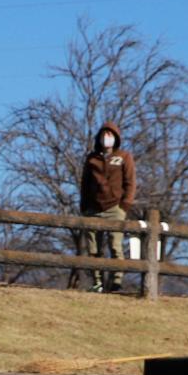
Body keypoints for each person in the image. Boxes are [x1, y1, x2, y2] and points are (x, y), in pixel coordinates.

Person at [79, 122, 136, 293]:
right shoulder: (92, 158)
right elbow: (85, 184)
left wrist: (124, 206)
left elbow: (130, 182)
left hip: (115, 208)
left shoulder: (124, 157)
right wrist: (84, 206)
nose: (107, 138)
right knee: (93, 247)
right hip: (93, 209)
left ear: (116, 138)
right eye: (104, 134)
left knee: (115, 245)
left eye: (111, 135)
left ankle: (116, 281)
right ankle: (97, 282)